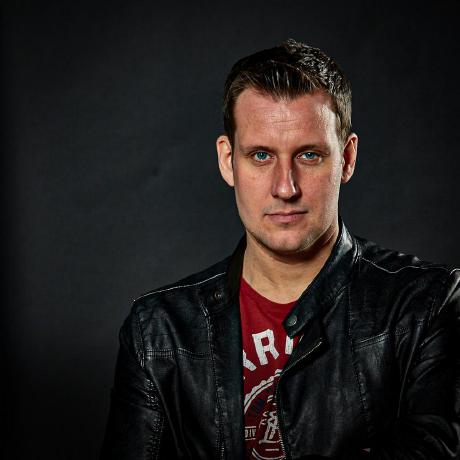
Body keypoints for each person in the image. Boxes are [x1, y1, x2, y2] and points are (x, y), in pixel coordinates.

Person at [101, 39, 460, 459]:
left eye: (309, 155)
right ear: (227, 160)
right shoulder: (158, 332)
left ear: (346, 159)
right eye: (261, 155)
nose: (285, 188)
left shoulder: (426, 306)